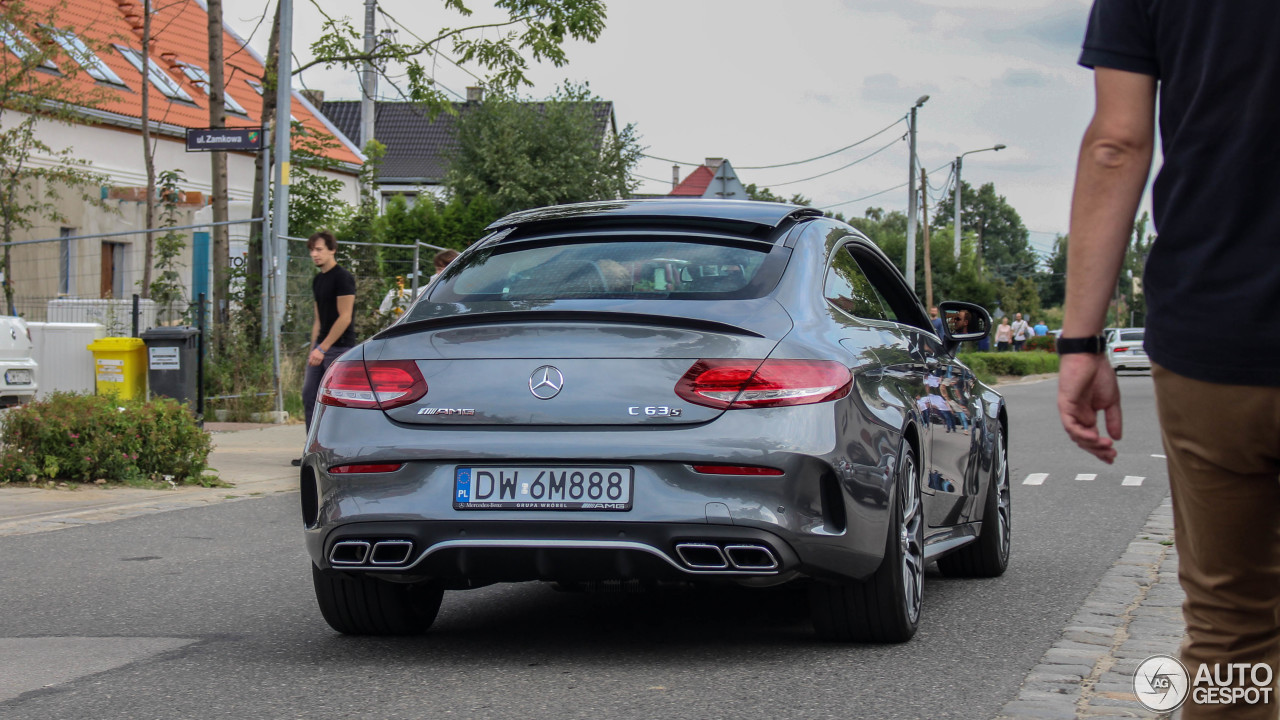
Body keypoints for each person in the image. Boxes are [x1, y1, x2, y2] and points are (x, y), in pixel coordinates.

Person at [1061, 4, 1280, 717]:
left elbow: (1116, 144)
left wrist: (1080, 341)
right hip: (1214, 335)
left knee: (1231, 632)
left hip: (1219, 333)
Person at [295, 230, 356, 466]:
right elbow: (318, 320)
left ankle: (338, 450)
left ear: (332, 249)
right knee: (309, 395)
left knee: (334, 401)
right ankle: (312, 450)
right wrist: (314, 349)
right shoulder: (318, 280)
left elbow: (345, 317)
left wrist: (324, 348)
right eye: (312, 250)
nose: (314, 254)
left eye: (319, 249)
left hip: (338, 349)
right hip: (321, 348)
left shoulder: (343, 278)